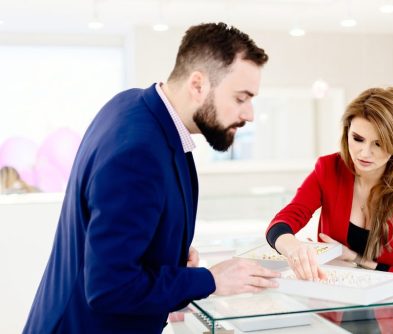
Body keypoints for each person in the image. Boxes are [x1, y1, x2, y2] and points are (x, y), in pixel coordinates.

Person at [24, 22, 280, 334]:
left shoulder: (133, 105)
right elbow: (110, 287)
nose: (250, 114)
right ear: (198, 85)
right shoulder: (138, 151)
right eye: (241, 98)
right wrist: (211, 280)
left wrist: (170, 260)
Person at [266, 87, 393, 290]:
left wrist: (357, 259)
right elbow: (283, 221)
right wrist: (293, 249)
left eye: (379, 144)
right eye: (357, 139)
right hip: (333, 303)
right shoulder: (329, 170)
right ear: (347, 132)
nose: (365, 153)